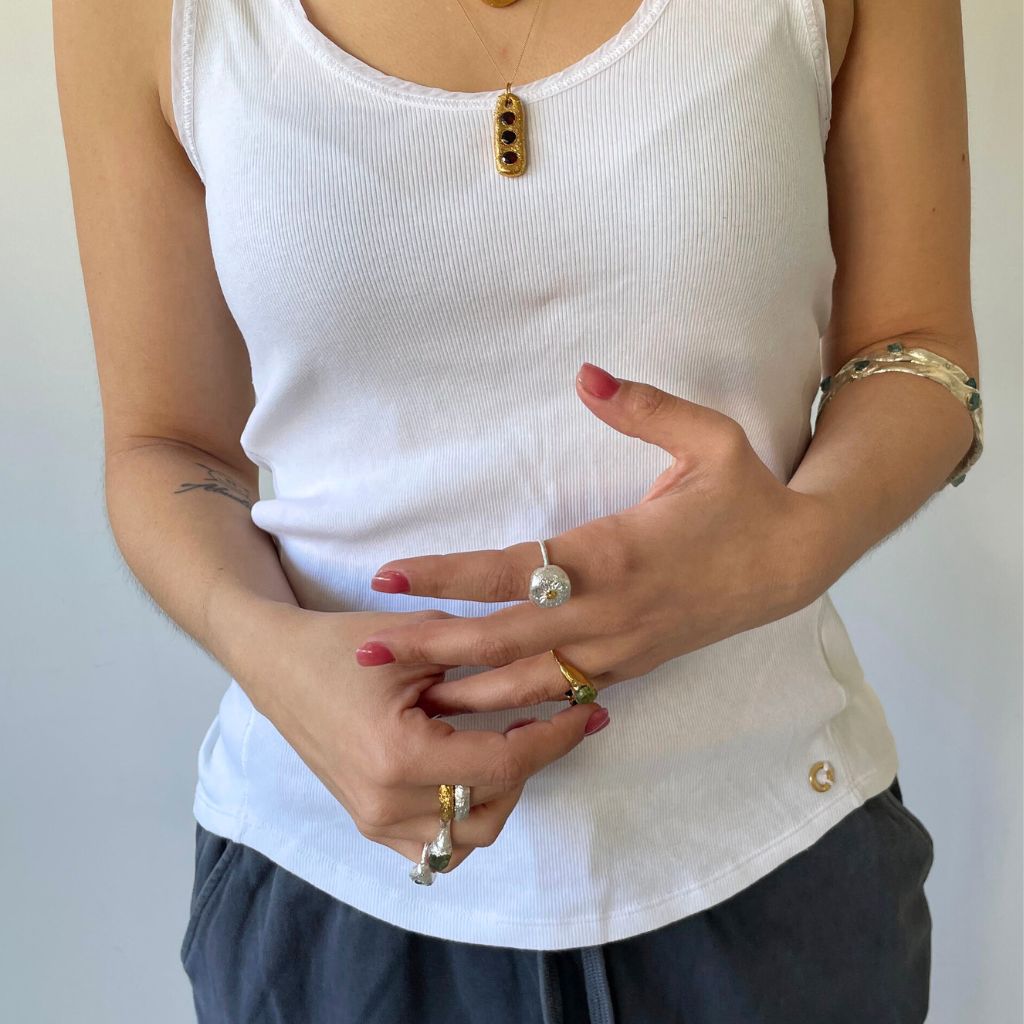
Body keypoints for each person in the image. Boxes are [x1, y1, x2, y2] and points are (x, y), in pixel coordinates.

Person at [54, 0, 982, 1018]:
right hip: (332, 878)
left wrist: (796, 545)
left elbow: (915, 344)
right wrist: (267, 653)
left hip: (772, 855)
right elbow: (167, 443)